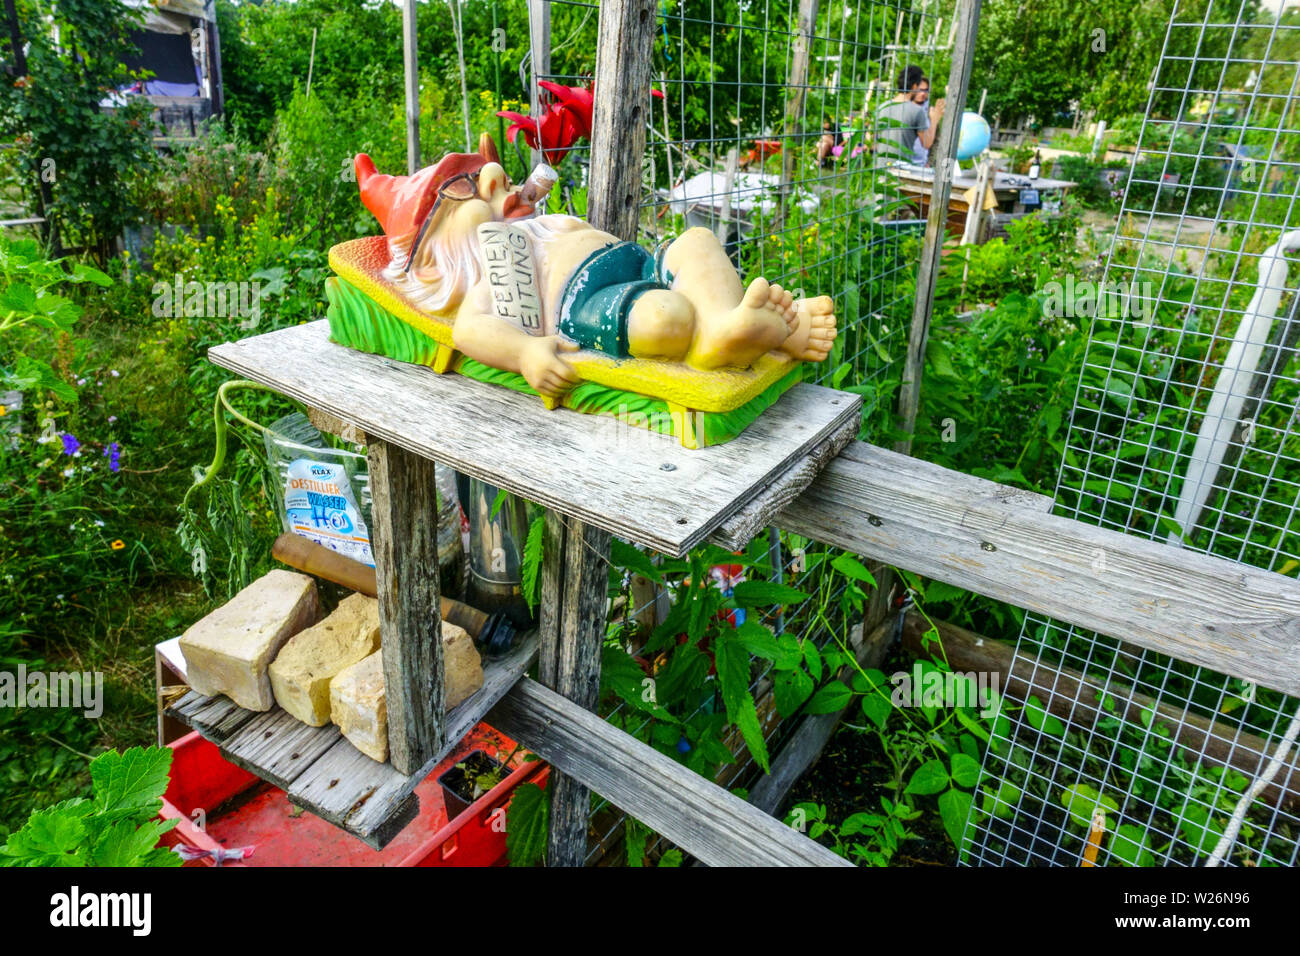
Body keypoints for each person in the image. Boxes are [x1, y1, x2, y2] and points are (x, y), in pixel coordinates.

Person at [353, 144, 838, 398]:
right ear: (438, 253)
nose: (494, 178)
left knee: (696, 242)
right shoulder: (491, 274)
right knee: (666, 316)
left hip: (642, 262)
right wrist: (525, 352)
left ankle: (735, 327)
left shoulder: (539, 226)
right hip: (588, 302)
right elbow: (469, 329)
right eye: (464, 187)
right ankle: (717, 339)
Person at [876, 65, 945, 166]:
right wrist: (935, 119)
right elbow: (927, 143)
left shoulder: (882, 107)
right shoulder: (916, 111)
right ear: (914, 86)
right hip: (901, 171)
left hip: (881, 167)